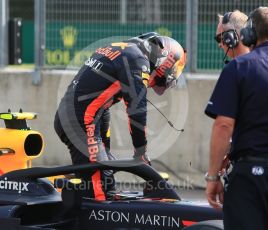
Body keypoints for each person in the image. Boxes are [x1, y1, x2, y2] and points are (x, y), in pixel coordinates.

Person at [54, 32, 187, 200]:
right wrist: (141, 152)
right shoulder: (138, 60)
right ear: (163, 60)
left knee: (106, 175)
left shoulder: (122, 49)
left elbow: (101, 106)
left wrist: (104, 151)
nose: (156, 83)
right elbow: (136, 110)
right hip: (80, 122)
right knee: (99, 193)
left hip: (77, 118)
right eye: (162, 78)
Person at [204, 7, 268, 230]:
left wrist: (213, 177)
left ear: (247, 35)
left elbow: (224, 124)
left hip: (250, 180)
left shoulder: (238, 68)